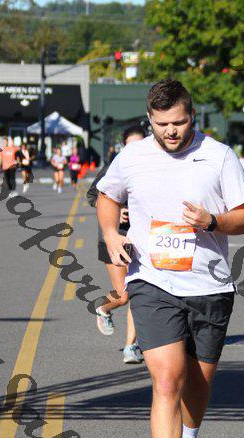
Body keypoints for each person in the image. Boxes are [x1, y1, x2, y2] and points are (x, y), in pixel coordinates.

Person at [96, 79, 244, 438]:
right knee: (168, 379)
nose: (171, 131)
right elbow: (107, 196)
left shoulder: (219, 156)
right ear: (149, 119)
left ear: (193, 117)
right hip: (152, 281)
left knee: (197, 386)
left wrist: (213, 220)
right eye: (162, 123)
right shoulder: (132, 156)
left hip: (210, 286)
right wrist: (110, 233)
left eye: (180, 122)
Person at [87, 125, 146, 364]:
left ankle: (131, 346)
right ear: (123, 146)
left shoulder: (153, 167)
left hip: (142, 239)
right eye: (131, 145)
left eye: (140, 145)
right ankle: (103, 308)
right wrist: (117, 210)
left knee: (139, 292)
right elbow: (93, 195)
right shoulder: (115, 166)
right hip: (114, 237)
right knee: (123, 295)